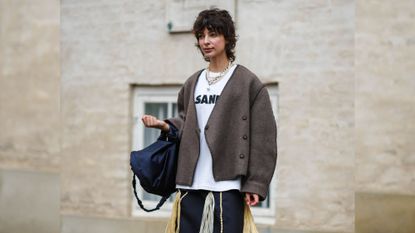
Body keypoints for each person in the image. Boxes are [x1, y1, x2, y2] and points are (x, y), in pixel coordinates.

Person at [141, 8, 277, 233]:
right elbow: (187, 122)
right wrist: (165, 125)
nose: (206, 41)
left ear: (227, 38)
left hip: (227, 185)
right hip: (189, 185)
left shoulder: (248, 83)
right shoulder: (193, 83)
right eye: (201, 36)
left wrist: (256, 183)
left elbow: (264, 138)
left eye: (212, 34)